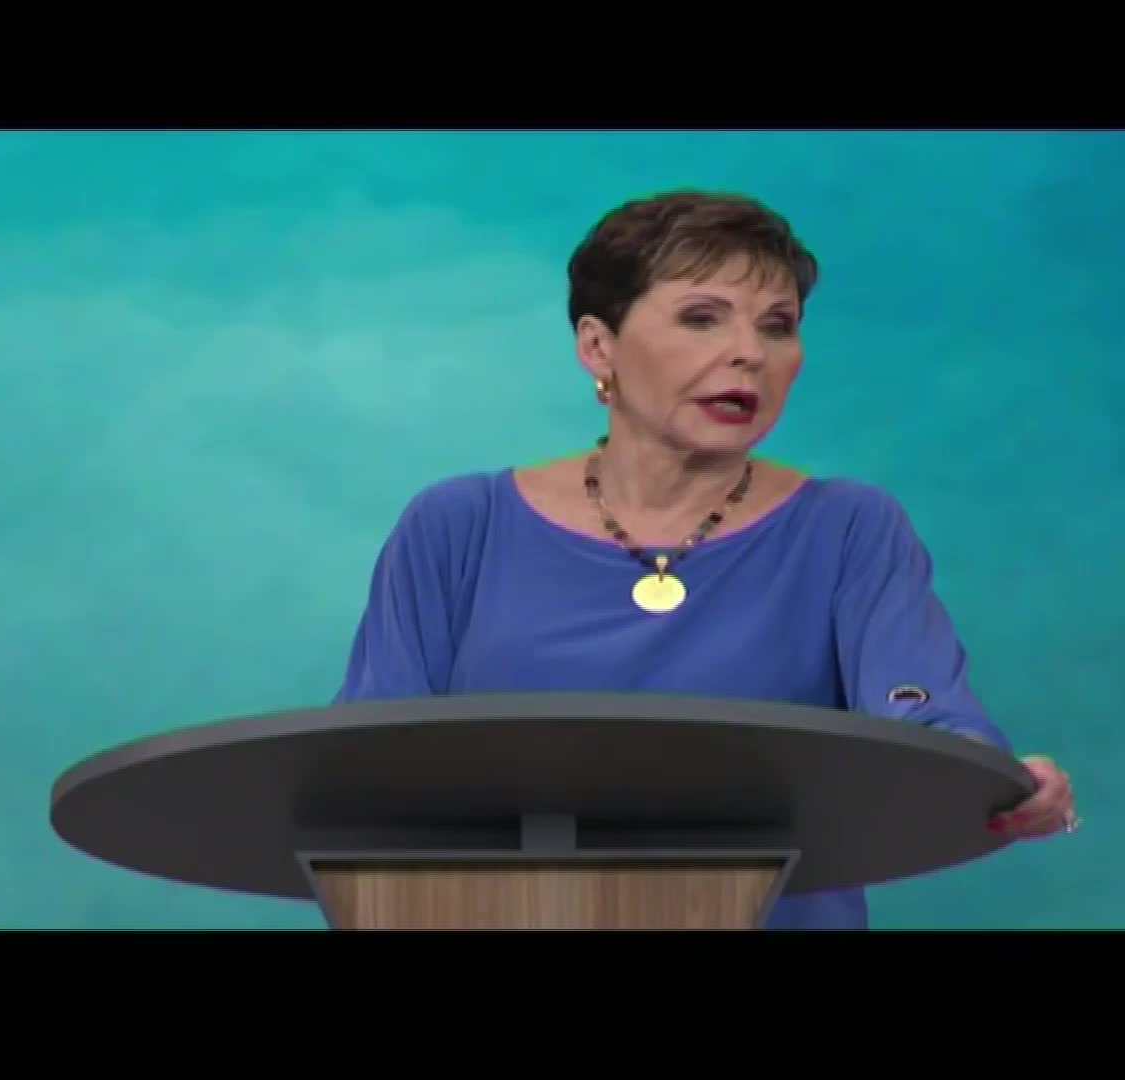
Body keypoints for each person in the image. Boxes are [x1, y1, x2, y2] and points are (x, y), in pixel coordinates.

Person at [334, 188, 1078, 929]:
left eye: (777, 325)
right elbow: (364, 779)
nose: (749, 353)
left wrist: (997, 779)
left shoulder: (850, 528)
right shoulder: (458, 526)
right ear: (598, 347)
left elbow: (925, 722)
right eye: (702, 317)